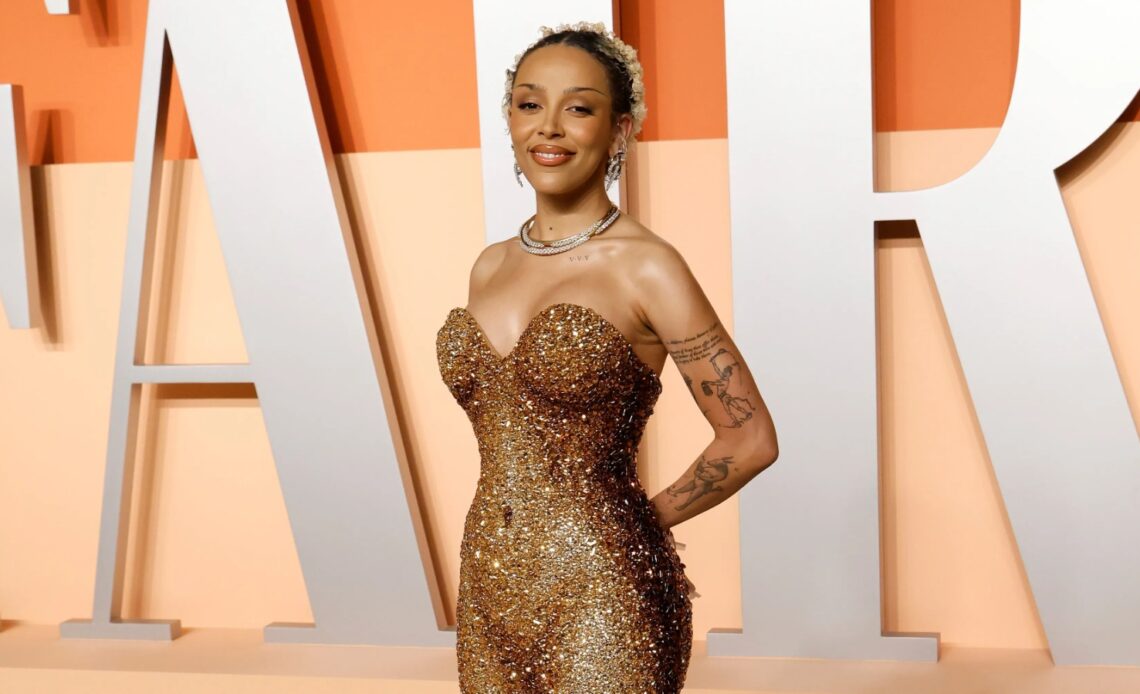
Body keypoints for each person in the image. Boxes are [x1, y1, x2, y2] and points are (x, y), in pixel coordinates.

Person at [436, 21, 778, 693]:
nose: (549, 127)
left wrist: (640, 521)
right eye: (530, 104)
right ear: (511, 120)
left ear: (620, 131)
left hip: (604, 592)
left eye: (579, 108)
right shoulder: (489, 267)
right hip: (487, 586)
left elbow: (750, 438)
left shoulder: (648, 267)